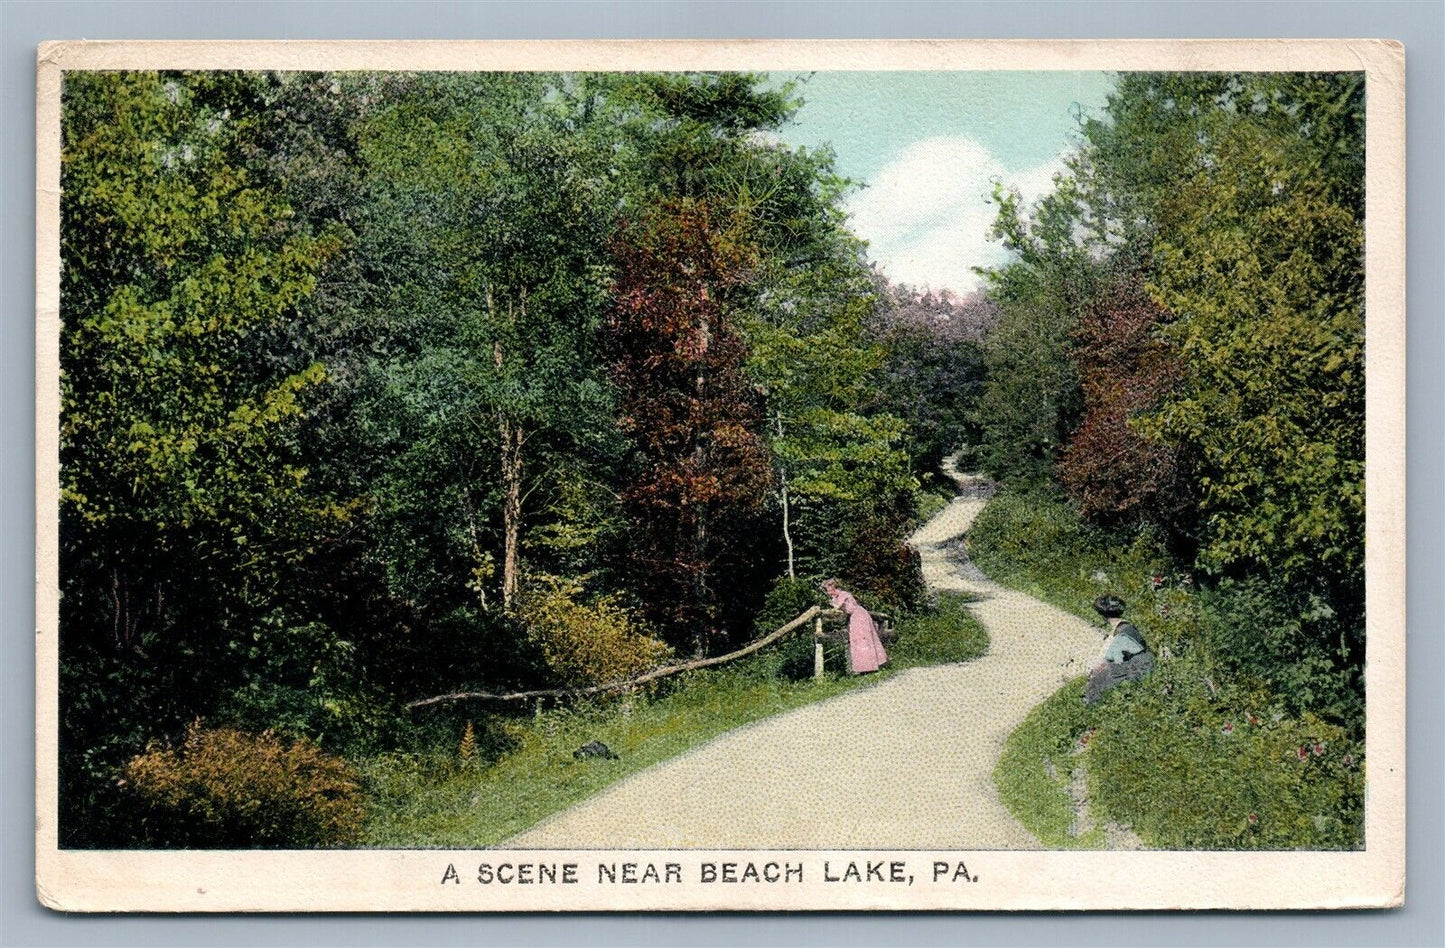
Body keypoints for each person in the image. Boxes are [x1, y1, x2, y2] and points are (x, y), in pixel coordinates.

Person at [1084, 594, 1155, 704]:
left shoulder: (1120, 634)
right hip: (1146, 660)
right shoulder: (1127, 626)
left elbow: (1115, 660)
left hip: (1140, 666)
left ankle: (1090, 703)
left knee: (1099, 677)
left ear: (1102, 615)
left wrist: (1096, 671)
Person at [821, 579, 889, 674]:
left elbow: (837, 607)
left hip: (860, 615)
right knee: (857, 640)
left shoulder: (843, 594)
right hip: (854, 618)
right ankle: (864, 667)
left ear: (833, 588)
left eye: (828, 590)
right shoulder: (835, 598)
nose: (828, 593)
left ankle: (872, 665)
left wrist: (832, 604)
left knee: (865, 639)